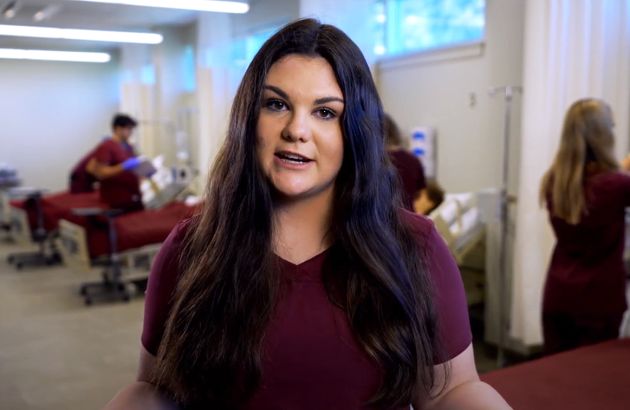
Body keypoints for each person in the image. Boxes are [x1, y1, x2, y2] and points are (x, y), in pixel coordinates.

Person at [104, 19, 510, 410]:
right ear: (248, 120)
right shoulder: (190, 250)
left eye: (325, 112)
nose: (297, 129)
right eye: (277, 104)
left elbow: (450, 391)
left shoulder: (415, 247)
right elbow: (156, 388)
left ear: (354, 130)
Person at [540, 98, 630, 354]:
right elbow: (610, 184)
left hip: (559, 296)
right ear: (603, 136)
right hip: (599, 302)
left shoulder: (553, 182)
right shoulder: (616, 185)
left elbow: (595, 185)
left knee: (556, 378)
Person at [86, 114, 144, 211]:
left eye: (132, 129)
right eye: (128, 129)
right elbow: (101, 173)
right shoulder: (107, 146)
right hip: (117, 199)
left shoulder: (129, 146)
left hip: (132, 196)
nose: (131, 132)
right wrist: (123, 167)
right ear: (118, 128)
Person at [384, 113, 426, 211]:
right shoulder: (413, 160)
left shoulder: (373, 163)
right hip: (409, 219)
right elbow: (419, 194)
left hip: (381, 221)